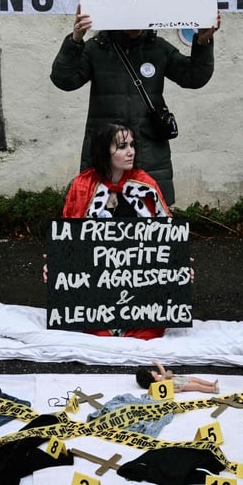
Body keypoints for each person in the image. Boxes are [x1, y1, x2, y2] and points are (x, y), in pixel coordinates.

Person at [50, 5, 221, 205]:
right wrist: (75, 40)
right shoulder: (96, 49)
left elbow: (194, 77)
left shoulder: (159, 48)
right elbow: (64, 80)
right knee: (104, 221)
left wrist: (203, 41)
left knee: (150, 224)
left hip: (150, 156)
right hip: (106, 154)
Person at [59, 122, 172, 339]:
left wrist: (179, 265)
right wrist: (57, 264)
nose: (131, 151)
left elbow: (166, 235)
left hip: (139, 278)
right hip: (97, 279)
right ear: (104, 151)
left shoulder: (145, 184)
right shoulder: (83, 185)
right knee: (98, 330)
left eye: (132, 145)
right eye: (122, 147)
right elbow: (69, 235)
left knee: (149, 330)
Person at [135, 360, 218, 394]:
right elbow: (170, 390)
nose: (152, 371)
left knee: (196, 379)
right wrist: (178, 390)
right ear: (151, 378)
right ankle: (212, 389)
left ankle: (211, 384)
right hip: (181, 385)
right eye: (150, 372)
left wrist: (158, 364)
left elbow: (163, 371)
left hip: (181, 378)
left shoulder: (161, 378)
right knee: (197, 386)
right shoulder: (160, 383)